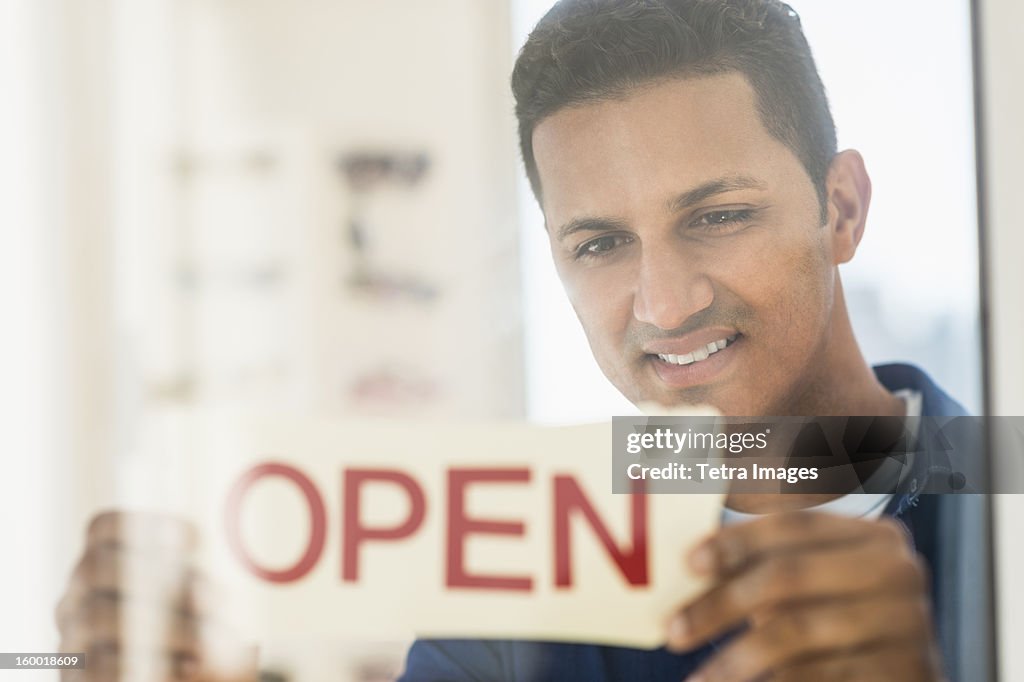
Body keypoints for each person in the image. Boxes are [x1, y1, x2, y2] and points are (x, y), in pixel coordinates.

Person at [399, 0, 982, 680]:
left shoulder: (1007, 516)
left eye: (720, 216)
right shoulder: (509, 587)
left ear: (842, 210)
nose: (667, 306)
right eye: (602, 243)